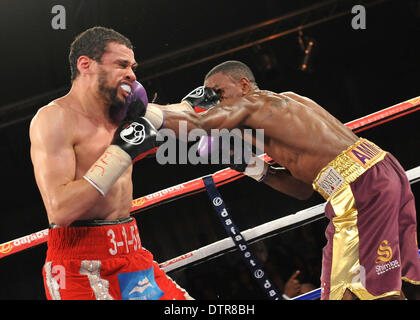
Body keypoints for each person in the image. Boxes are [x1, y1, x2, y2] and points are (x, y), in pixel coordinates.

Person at [157, 60, 420, 300]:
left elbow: (196, 126)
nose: (214, 102)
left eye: (218, 93)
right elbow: (302, 189)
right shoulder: (283, 112)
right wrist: (259, 170)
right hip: (377, 173)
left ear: (244, 85)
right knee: (361, 291)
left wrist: (168, 109)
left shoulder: (254, 103)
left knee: (364, 292)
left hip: (359, 189)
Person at [29, 26, 192, 300]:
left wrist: (205, 100)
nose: (132, 74)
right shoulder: (54, 119)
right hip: (79, 267)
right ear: (85, 64)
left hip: (131, 253)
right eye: (122, 64)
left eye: (133, 66)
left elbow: (179, 113)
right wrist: (122, 151)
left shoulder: (121, 115)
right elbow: (61, 210)